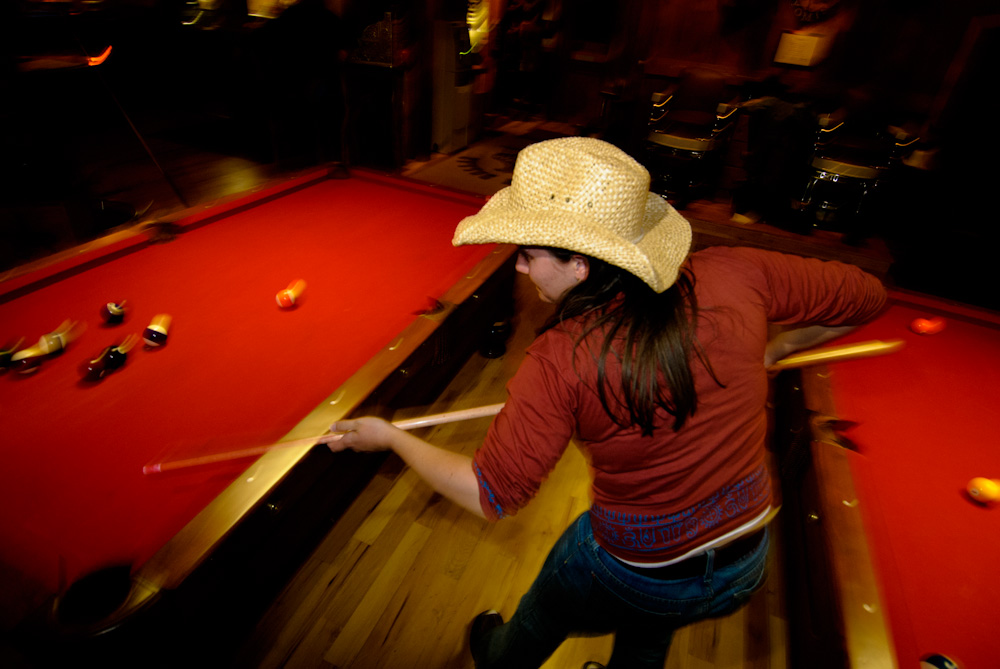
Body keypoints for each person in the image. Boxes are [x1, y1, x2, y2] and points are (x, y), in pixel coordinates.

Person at [329, 137, 886, 669]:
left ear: (581, 264)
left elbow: (489, 496)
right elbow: (867, 297)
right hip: (746, 555)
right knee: (650, 625)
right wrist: (781, 344)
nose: (519, 267)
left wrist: (392, 437)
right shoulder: (737, 270)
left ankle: (498, 658)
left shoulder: (558, 360)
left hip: (640, 566)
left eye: (527, 254)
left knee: (545, 612)